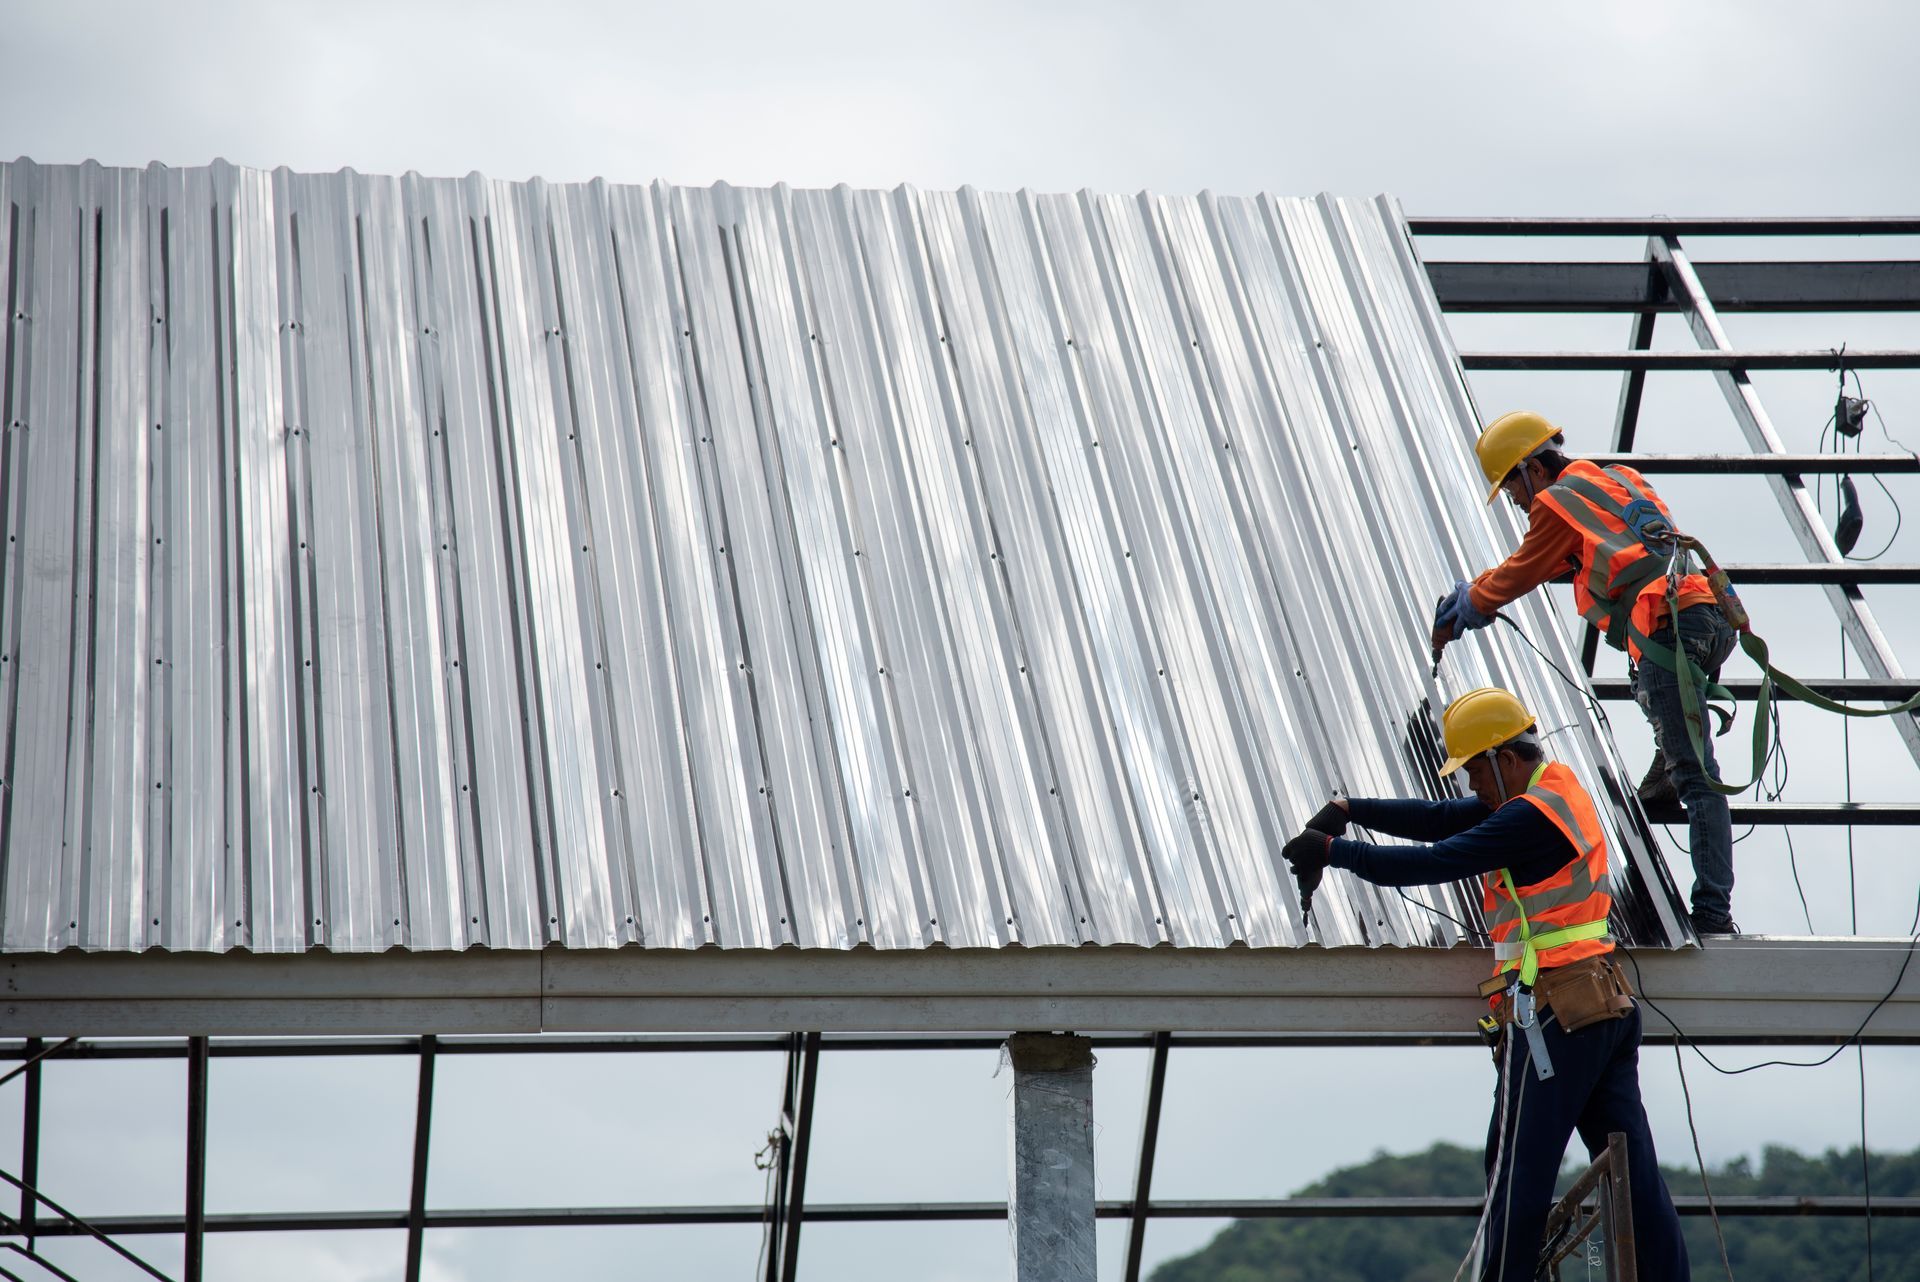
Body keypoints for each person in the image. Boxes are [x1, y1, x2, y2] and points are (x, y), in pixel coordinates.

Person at [1284, 687, 1690, 1281]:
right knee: (1632, 1173)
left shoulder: (1527, 817)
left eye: (1474, 769)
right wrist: (1350, 809)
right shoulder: (1552, 792)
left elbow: (1435, 859)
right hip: (1598, 1003)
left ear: (1504, 757)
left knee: (1515, 1171)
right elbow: (1439, 819)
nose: (1471, 785)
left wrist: (1331, 851)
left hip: (1557, 1013)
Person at [1431, 410, 1739, 935]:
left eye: (1514, 490)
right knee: (1671, 726)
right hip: (1709, 614)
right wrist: (1478, 589)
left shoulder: (1553, 502)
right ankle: (1664, 771)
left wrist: (1472, 603)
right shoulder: (1613, 477)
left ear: (1532, 469)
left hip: (1668, 627)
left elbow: (1526, 567)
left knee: (1698, 777)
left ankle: (1713, 912)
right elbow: (1552, 559)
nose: (1519, 503)